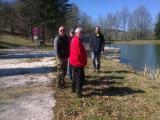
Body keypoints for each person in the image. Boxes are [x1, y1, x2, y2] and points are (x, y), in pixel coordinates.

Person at [69, 27, 87, 98]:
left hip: (74, 62)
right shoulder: (76, 41)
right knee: (80, 78)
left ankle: (73, 89)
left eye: (82, 33)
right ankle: (79, 93)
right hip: (78, 63)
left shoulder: (75, 39)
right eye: (80, 33)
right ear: (76, 33)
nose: (81, 34)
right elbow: (78, 54)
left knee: (75, 77)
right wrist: (83, 62)